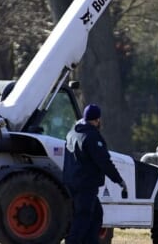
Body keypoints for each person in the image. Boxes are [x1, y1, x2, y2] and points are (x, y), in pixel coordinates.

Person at [63, 104, 127, 244]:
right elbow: (104, 162)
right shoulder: (91, 136)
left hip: (71, 183)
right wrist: (119, 180)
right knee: (83, 219)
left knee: (96, 216)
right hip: (85, 185)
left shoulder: (72, 133)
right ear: (97, 120)